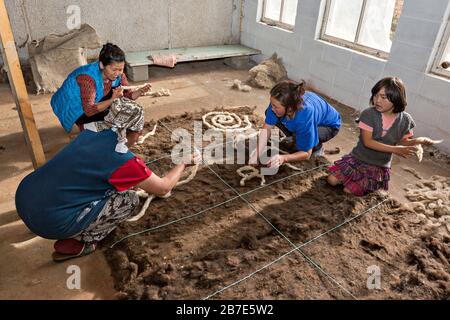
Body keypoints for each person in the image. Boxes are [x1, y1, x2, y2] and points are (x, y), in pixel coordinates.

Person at [15, 99, 195, 262]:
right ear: (136, 132)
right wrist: (183, 163)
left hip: (24, 197)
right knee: (128, 200)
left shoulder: (89, 133)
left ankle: (44, 214)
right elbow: (163, 188)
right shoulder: (123, 161)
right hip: (51, 223)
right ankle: (78, 242)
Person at [327, 77, 436, 196]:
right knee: (332, 181)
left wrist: (417, 141)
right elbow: (368, 142)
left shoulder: (405, 120)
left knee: (349, 191)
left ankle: (370, 184)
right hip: (357, 159)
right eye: (375, 95)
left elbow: (402, 141)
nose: (377, 100)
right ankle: (361, 184)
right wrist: (395, 149)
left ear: (396, 98)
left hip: (377, 166)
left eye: (383, 97)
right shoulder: (369, 114)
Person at [51, 43, 152, 133]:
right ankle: (83, 124)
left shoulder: (119, 76)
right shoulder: (88, 78)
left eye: (120, 69)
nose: (117, 73)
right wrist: (113, 99)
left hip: (95, 99)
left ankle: (96, 124)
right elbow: (89, 110)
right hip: (75, 105)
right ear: (102, 65)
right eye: (114, 69)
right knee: (114, 117)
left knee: (125, 109)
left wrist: (139, 91)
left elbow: (127, 96)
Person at [250, 80, 341, 168]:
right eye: (272, 104)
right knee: (270, 114)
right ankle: (298, 137)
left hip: (328, 126)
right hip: (300, 118)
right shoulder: (279, 101)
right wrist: (256, 155)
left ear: (289, 108)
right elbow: (267, 129)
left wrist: (283, 158)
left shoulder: (304, 116)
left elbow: (306, 154)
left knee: (302, 143)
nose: (272, 108)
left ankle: (317, 147)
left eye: (275, 106)